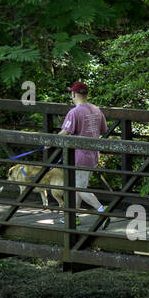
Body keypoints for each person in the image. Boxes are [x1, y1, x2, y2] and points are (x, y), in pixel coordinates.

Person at [58, 81, 106, 214]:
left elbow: (64, 134)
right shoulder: (97, 110)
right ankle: (75, 215)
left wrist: (48, 142)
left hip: (79, 156)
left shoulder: (74, 112)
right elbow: (103, 130)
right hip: (93, 155)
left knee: (79, 188)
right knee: (79, 185)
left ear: (73, 94)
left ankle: (102, 211)